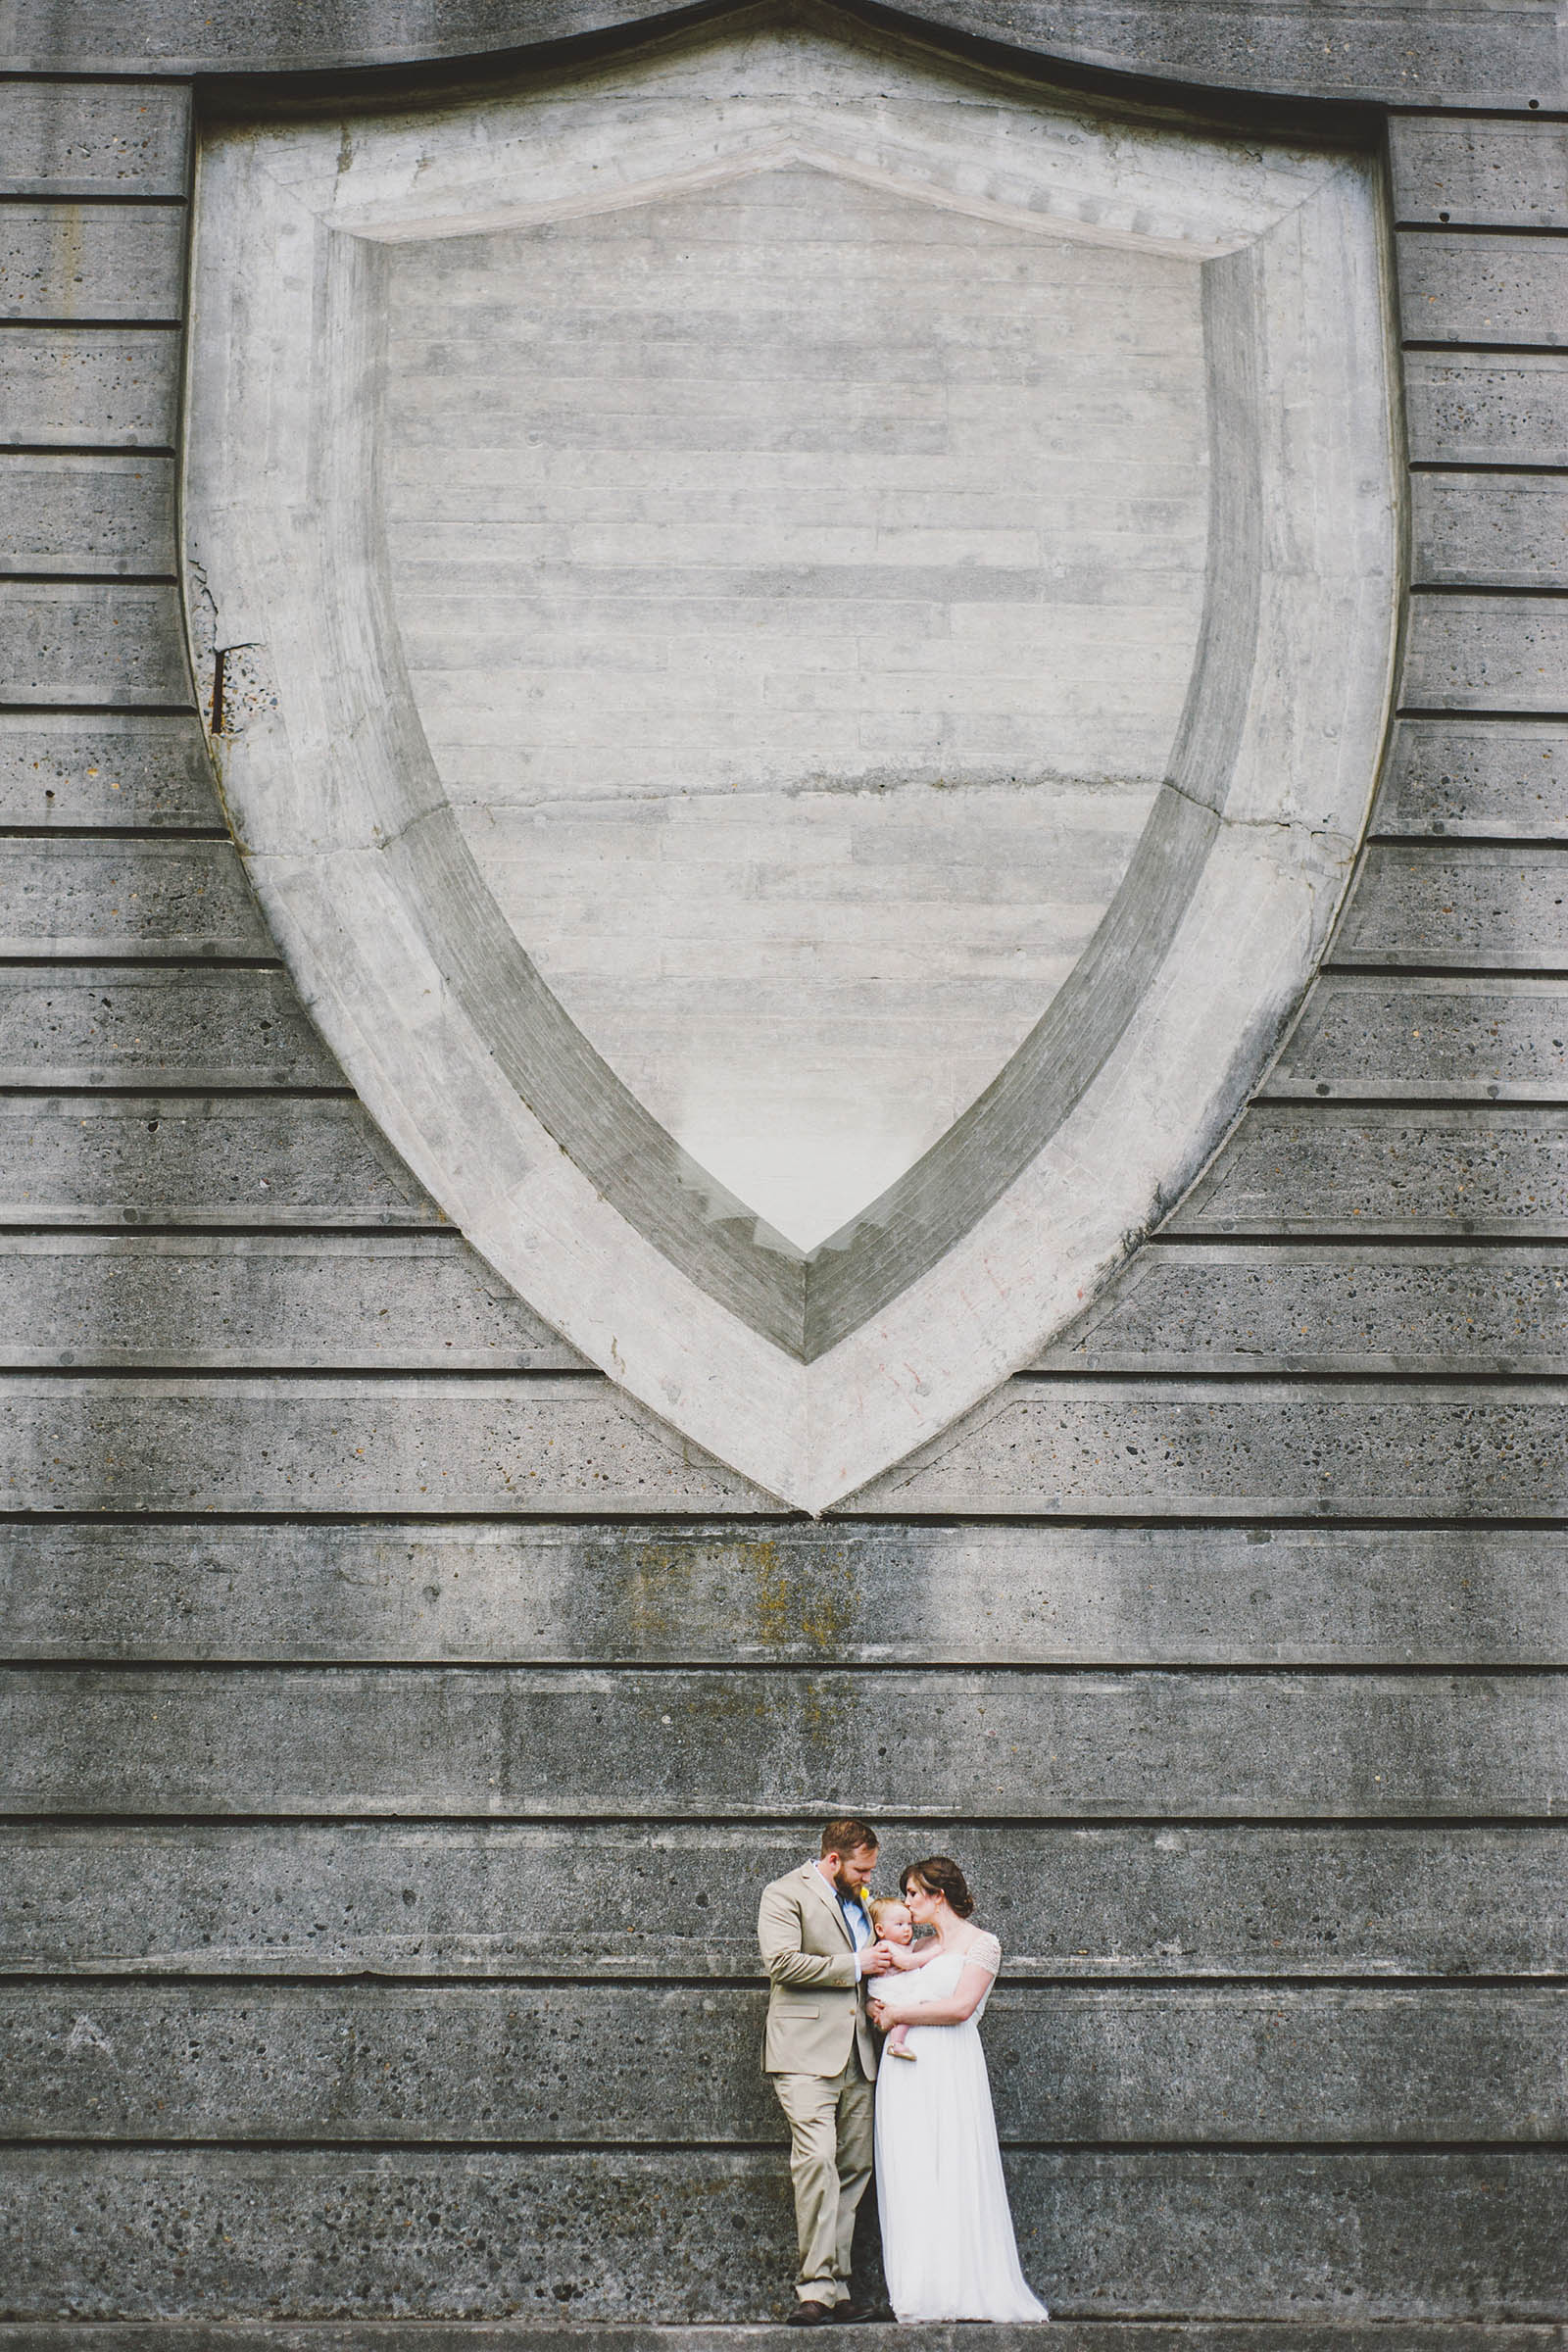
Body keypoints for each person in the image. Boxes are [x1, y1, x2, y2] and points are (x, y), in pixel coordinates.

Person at [866, 1856, 1050, 2324]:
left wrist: (897, 2016)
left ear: (936, 1895)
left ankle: (965, 2285)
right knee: (913, 2170)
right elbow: (893, 1980)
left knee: (955, 2164)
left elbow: (961, 2007)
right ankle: (922, 2289)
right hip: (905, 2073)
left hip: (949, 2063)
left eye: (911, 1893)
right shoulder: (925, 1945)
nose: (906, 1904)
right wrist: (879, 2007)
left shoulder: (982, 1944)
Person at [758, 1817, 901, 2325]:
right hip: (804, 2055)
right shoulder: (783, 1894)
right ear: (833, 1859)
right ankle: (813, 2289)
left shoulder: (860, 1897)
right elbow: (781, 1963)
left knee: (854, 2170)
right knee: (816, 2161)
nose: (868, 1879)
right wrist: (859, 1964)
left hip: (861, 2054)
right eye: (861, 1869)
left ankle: (838, 2289)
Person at [865, 1896, 932, 2061]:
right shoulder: (885, 1946)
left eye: (909, 1924)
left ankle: (898, 2041)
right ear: (880, 1930)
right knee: (904, 2010)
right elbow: (906, 1962)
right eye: (899, 1924)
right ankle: (896, 2043)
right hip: (889, 1986)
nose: (907, 1929)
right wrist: (933, 1952)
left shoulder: (905, 1945)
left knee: (908, 2009)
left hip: (899, 1985)